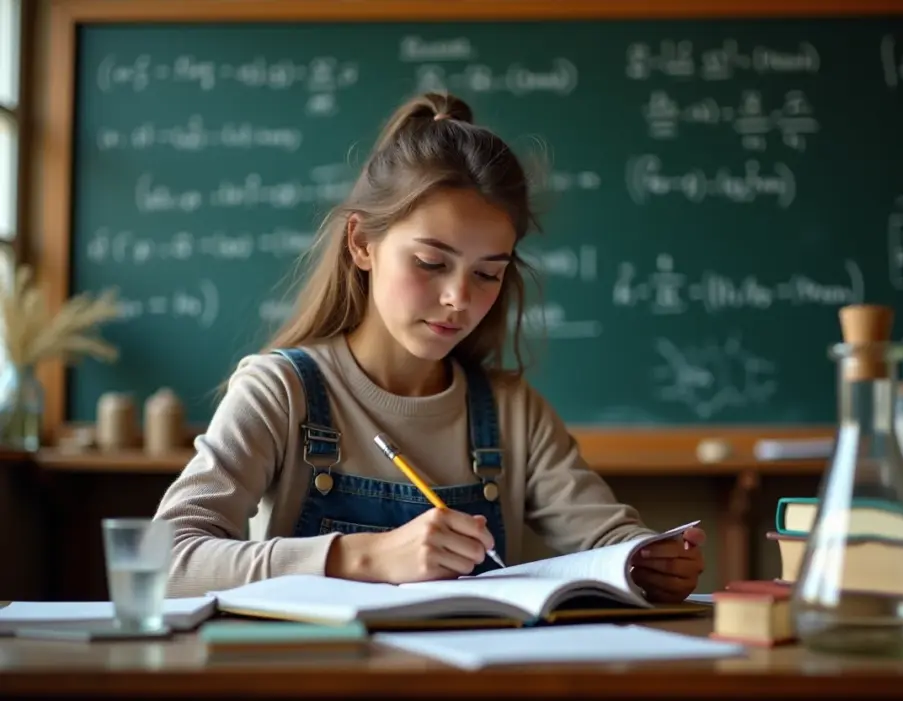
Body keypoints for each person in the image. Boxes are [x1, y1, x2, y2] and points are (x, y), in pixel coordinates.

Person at [153, 92, 705, 602]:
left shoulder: (513, 413)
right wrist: (363, 556)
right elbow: (164, 562)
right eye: (431, 263)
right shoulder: (281, 392)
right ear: (361, 244)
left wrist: (647, 560)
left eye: (488, 274)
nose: (458, 299)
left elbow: (609, 537)